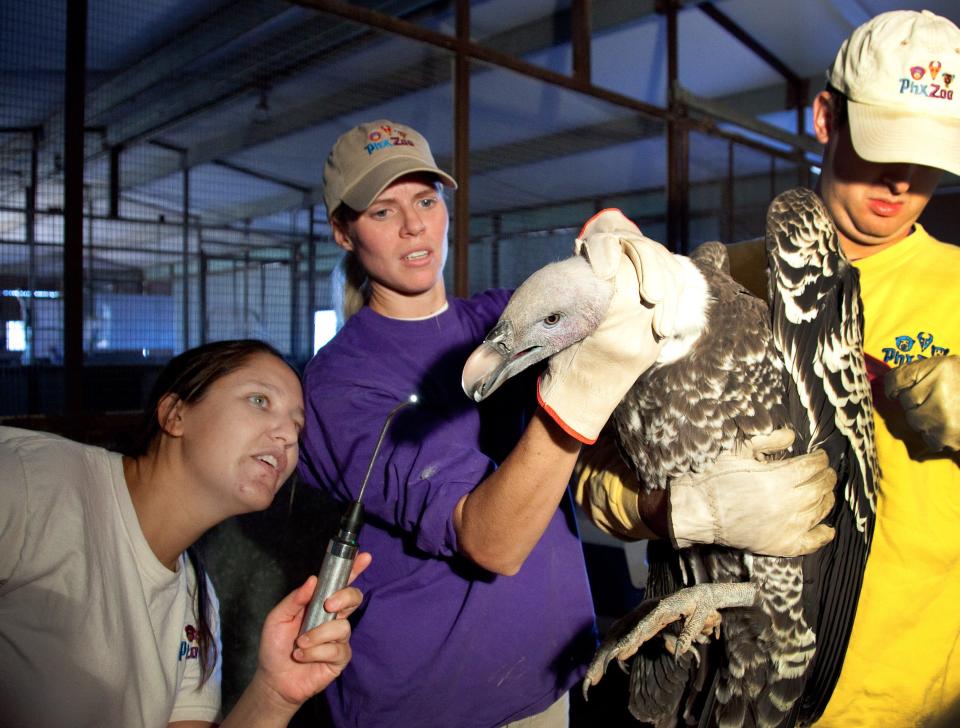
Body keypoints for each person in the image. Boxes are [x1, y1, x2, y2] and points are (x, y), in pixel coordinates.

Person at [298, 119, 838, 728]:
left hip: (551, 677)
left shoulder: (502, 314)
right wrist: (579, 413)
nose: (415, 225)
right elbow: (490, 542)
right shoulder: (339, 383)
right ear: (343, 232)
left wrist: (631, 257)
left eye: (426, 199)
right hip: (431, 700)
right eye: (381, 211)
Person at [584, 9, 960, 726]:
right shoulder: (714, 283)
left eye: (929, 156)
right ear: (826, 118)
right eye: (884, 143)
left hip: (914, 698)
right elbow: (597, 480)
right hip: (732, 689)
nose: (902, 178)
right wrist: (671, 510)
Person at [0, 339, 371, 728]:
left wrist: (274, 692)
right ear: (175, 414)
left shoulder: (197, 600)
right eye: (260, 400)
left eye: (297, 425)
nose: (288, 436)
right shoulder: (36, 482)